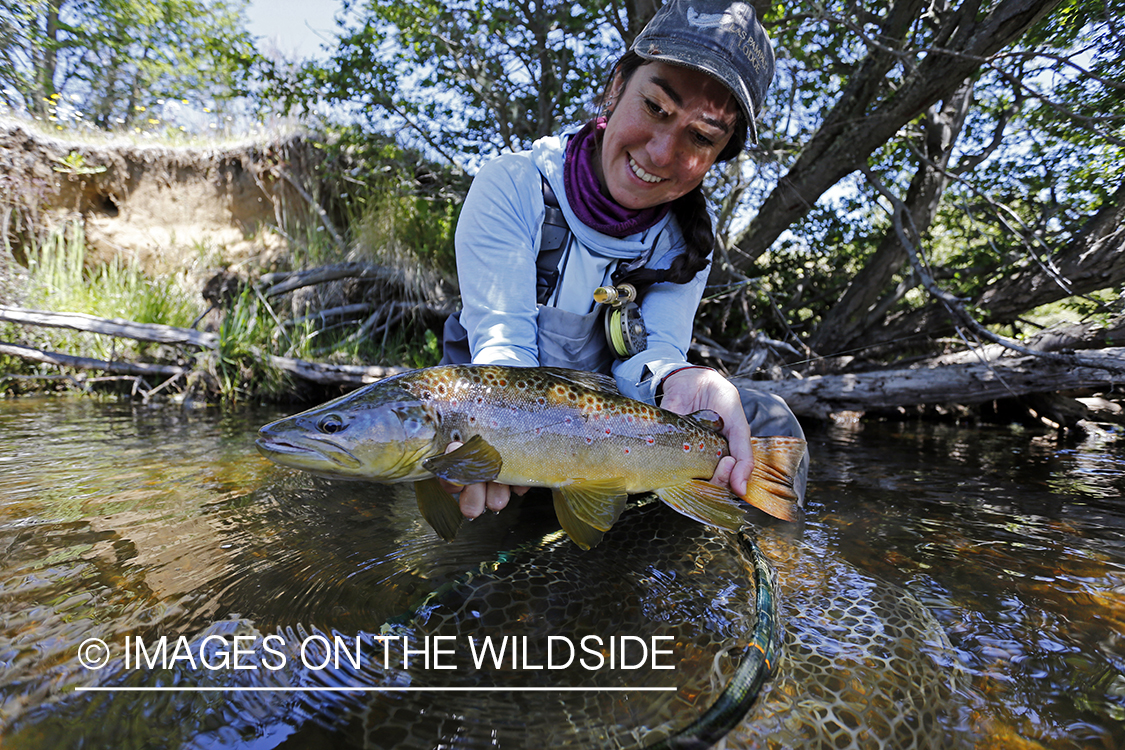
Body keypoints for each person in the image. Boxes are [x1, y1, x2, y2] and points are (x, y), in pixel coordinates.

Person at [438, 0, 808, 519]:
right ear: (616, 87)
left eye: (700, 137)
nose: (660, 152)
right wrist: (512, 447)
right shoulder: (514, 184)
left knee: (766, 420)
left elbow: (651, 358)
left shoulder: (686, 243)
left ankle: (772, 552)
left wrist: (684, 381)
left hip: (608, 438)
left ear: (719, 156)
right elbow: (502, 352)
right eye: (655, 107)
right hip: (495, 420)